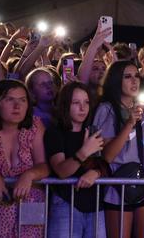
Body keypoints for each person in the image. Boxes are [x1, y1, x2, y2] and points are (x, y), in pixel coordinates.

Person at [93, 60, 144, 238]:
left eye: (136, 76)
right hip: (118, 186)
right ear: (115, 80)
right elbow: (108, 155)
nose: (134, 81)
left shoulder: (142, 110)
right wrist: (129, 123)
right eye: (127, 77)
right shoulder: (106, 109)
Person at [44, 81, 106, 238]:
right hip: (66, 203)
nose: (82, 108)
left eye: (86, 102)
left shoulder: (92, 131)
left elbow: (104, 164)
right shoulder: (55, 133)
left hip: (95, 204)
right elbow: (61, 171)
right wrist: (84, 151)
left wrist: (97, 173)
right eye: (76, 102)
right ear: (65, 105)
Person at [0, 79, 49, 237]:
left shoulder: (35, 126)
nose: (17, 106)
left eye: (22, 100)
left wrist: (29, 175)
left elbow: (44, 165)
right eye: (10, 99)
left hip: (31, 204)